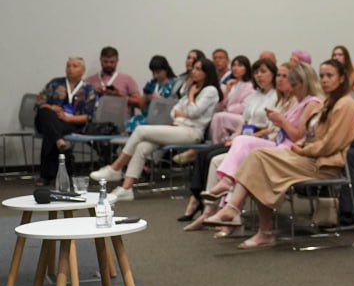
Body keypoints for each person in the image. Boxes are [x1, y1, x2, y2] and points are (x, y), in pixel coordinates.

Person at [204, 59, 354, 249]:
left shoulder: (345, 104)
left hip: (323, 165)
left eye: (330, 76)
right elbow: (312, 135)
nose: (324, 80)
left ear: (341, 78)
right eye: (322, 76)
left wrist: (303, 149)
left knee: (259, 158)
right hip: (309, 158)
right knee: (257, 157)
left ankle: (246, 217)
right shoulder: (328, 102)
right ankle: (244, 217)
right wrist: (301, 145)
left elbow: (330, 143)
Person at [193, 63, 322, 212]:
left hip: (289, 149)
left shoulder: (311, 103)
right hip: (278, 143)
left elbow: (298, 136)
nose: (291, 88)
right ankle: (225, 186)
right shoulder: (296, 101)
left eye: (293, 84)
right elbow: (247, 121)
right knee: (240, 141)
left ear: (304, 83)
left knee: (249, 157)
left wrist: (281, 121)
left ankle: (229, 206)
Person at [90, 56, 222, 202]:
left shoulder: (210, 90)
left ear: (206, 72)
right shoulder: (193, 87)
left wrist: (190, 98)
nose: (193, 71)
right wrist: (184, 111)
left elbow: (194, 112)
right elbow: (174, 110)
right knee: (142, 147)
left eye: (198, 69)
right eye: (194, 68)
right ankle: (126, 189)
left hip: (192, 132)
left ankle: (115, 168)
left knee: (140, 130)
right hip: (177, 127)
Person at [181, 58, 280, 225]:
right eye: (256, 72)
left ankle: (216, 209)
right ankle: (205, 207)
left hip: (259, 139)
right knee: (204, 154)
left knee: (214, 158)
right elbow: (244, 122)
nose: (259, 76)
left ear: (273, 74)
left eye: (263, 72)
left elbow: (271, 129)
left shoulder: (276, 96)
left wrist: (245, 139)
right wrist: (234, 137)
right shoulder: (254, 95)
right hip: (244, 137)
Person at [33, 57, 98, 185]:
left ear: (83, 70)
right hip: (47, 119)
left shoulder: (88, 89)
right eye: (68, 66)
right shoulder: (55, 83)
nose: (70, 69)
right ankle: (60, 143)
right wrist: (52, 108)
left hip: (72, 123)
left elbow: (88, 116)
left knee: (50, 131)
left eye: (75, 66)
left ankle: (46, 175)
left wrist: (67, 118)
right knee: (45, 113)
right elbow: (39, 103)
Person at [124, 55, 177, 133]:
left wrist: (161, 100)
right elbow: (141, 106)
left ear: (165, 70)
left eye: (158, 72)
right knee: (131, 122)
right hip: (149, 117)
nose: (155, 76)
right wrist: (147, 97)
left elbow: (175, 104)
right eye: (153, 73)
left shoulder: (174, 84)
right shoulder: (151, 84)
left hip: (164, 119)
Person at [209, 56, 255, 143]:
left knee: (219, 117)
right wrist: (227, 90)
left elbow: (245, 106)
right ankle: (220, 142)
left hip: (242, 118)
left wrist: (228, 109)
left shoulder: (250, 86)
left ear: (246, 68)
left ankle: (218, 143)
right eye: (234, 65)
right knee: (216, 116)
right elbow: (219, 106)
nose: (235, 68)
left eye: (239, 65)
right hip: (228, 115)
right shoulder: (228, 85)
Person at [87, 46, 142, 112]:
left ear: (117, 61)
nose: (109, 65)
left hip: (121, 118)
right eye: (105, 62)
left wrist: (119, 96)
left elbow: (140, 103)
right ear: (100, 60)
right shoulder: (89, 81)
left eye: (112, 62)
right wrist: (94, 94)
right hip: (96, 117)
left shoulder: (127, 79)